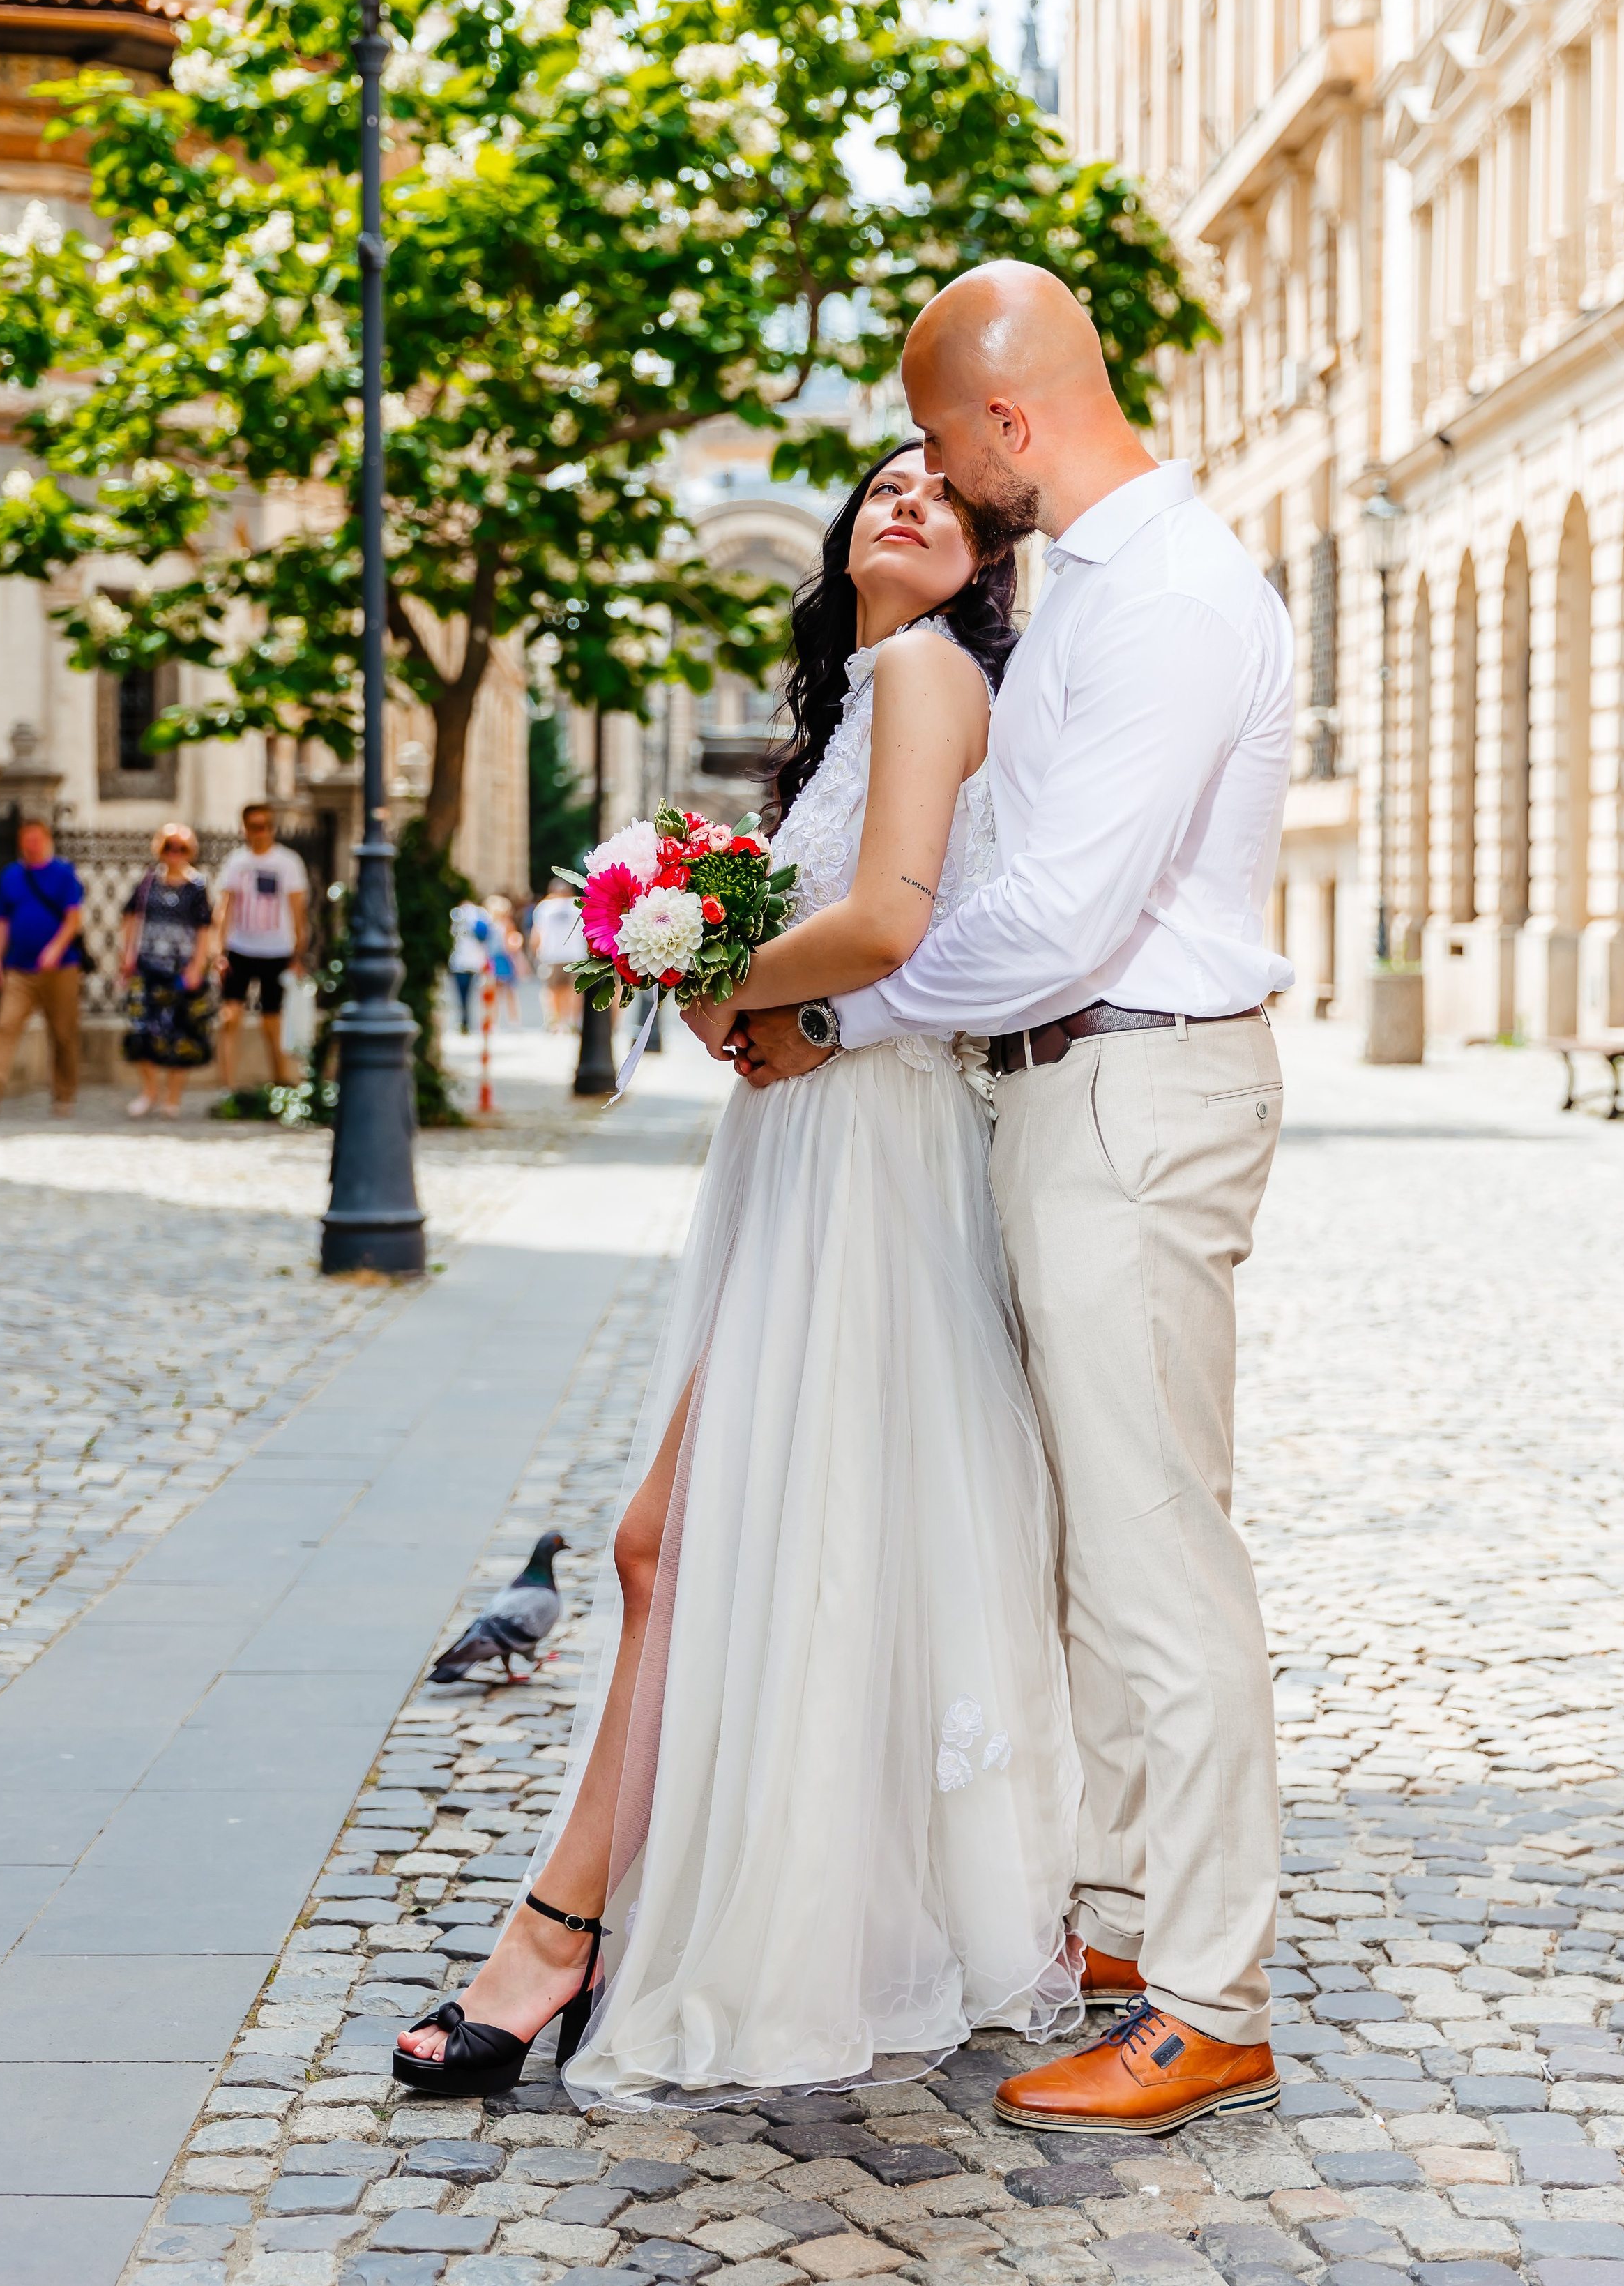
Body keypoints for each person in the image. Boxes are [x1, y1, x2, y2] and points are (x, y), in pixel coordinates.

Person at [395, 439, 1084, 2107]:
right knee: (711, 1545)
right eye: (882, 482)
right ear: (841, 531)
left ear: (982, 562)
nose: (906, 498)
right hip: (811, 1144)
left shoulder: (925, 672)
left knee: (669, 1541)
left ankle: (564, 1928)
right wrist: (720, 981)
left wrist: (712, 981)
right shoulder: (863, 697)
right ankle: (614, 1913)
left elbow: (888, 924)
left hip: (861, 1151)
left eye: (945, 493)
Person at [718, 262, 1297, 2135]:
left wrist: (830, 1004)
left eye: (958, 446)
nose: (950, 484)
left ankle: (1209, 1992)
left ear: (1015, 424)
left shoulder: (1176, 601)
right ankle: (1131, 1917)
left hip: (1136, 1081)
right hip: (1066, 1086)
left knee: (1155, 1551)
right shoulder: (1099, 594)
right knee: (1088, 1542)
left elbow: (1052, 918)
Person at [0, 817, 86, 1118]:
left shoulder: (64, 873)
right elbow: (1, 920)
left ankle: (64, 1094)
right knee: (6, 1026)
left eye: (36, 839)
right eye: (26, 839)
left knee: (64, 1034)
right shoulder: (11, 876)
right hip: (20, 968)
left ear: (46, 840)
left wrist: (55, 948)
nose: (31, 844)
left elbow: (73, 919)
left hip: (61, 968)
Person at [211, 803, 309, 1091]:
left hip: (277, 950)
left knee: (272, 1020)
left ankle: (280, 1081)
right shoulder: (235, 862)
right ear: (245, 829)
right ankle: (226, 1085)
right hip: (240, 948)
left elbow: (297, 910)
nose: (260, 832)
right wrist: (219, 952)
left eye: (265, 825)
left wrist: (298, 953)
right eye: (254, 826)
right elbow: (225, 908)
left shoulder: (288, 863)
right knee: (230, 1017)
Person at [120, 824, 215, 1117]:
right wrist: (128, 954)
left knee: (181, 1034)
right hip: (148, 965)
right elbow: (131, 917)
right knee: (142, 1031)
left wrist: (198, 966)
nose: (174, 853)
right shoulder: (148, 882)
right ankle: (150, 1091)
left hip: (181, 969)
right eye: (169, 847)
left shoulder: (197, 886)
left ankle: (172, 1098)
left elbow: (204, 929)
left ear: (190, 852)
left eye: (181, 848)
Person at [528, 878, 584, 1032]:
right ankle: (572, 1022)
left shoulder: (545, 907)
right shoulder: (578, 905)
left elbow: (536, 934)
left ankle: (554, 1022)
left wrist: (536, 954)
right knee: (574, 991)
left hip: (551, 955)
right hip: (575, 955)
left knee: (552, 990)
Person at [448, 897, 492, 1032]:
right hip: (473, 962)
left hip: (462, 963)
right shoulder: (479, 915)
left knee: (463, 996)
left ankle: (466, 1021)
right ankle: (471, 1022)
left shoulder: (459, 915)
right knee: (474, 995)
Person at [484, 894, 525, 1026]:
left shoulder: (492, 924)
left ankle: (499, 1021)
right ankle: (509, 1021)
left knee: (500, 993)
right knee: (505, 993)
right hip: (500, 960)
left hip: (497, 960)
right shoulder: (501, 924)